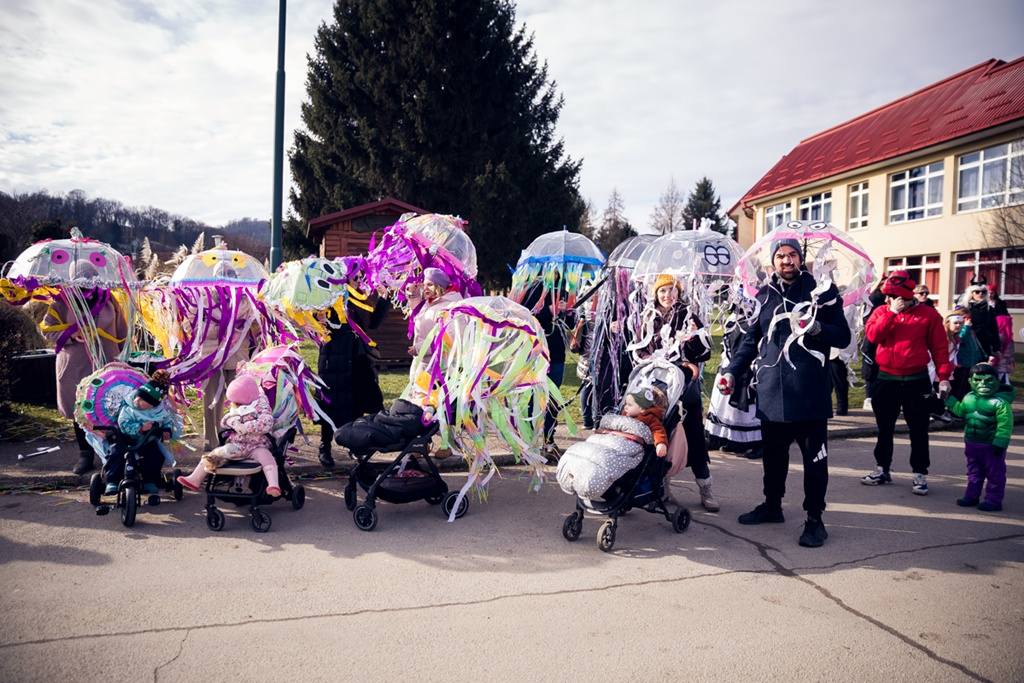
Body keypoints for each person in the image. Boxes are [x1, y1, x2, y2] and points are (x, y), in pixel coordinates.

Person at [720, 238, 851, 548]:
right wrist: (731, 371)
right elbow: (751, 340)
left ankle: (815, 520)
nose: (787, 260)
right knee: (773, 458)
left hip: (809, 395)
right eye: (780, 256)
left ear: (800, 258)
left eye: (792, 255)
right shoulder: (764, 295)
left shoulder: (822, 292)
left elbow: (843, 337)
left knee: (814, 462)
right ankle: (772, 506)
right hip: (772, 394)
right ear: (773, 261)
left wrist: (817, 328)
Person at [861, 270, 951, 495]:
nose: (889, 299)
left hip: (916, 380)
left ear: (907, 296)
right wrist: (891, 313)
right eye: (888, 296)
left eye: (893, 296)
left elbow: (940, 348)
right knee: (884, 428)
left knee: (919, 430)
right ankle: (882, 469)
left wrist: (943, 378)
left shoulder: (928, 315)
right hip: (886, 379)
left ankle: (919, 473)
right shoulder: (881, 311)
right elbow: (873, 337)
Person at [634, 273, 718, 512]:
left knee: (693, 433)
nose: (667, 295)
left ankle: (705, 487)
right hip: (656, 385)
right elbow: (639, 349)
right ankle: (660, 488)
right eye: (662, 290)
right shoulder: (648, 317)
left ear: (679, 293)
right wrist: (652, 359)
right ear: (656, 294)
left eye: (672, 290)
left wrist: (692, 339)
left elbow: (704, 353)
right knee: (657, 434)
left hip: (685, 384)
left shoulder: (688, 315)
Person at [41, 268, 128, 475]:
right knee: (79, 407)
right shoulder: (61, 302)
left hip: (106, 362)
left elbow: (122, 331)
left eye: (89, 278)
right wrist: (71, 334)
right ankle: (85, 454)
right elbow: (47, 329)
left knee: (109, 404)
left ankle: (113, 453)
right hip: (75, 364)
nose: (85, 283)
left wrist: (121, 356)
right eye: (80, 279)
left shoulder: (109, 300)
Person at [316, 292, 391, 469]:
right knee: (330, 403)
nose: (358, 281)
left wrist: (384, 299)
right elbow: (317, 323)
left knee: (358, 402)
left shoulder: (359, 298)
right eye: (355, 278)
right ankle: (325, 446)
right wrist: (318, 318)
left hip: (358, 360)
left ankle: (355, 446)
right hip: (333, 359)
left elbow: (373, 323)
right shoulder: (330, 295)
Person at [178, 375, 281, 497]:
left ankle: (273, 484)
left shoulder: (260, 407)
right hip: (238, 445)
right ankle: (195, 478)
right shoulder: (237, 407)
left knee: (266, 457)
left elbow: (266, 422)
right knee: (215, 454)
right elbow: (225, 419)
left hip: (257, 445)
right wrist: (233, 422)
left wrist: (246, 427)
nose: (235, 404)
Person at [945, 363, 1013, 512]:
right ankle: (972, 495)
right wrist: (949, 400)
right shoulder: (969, 398)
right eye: (978, 380)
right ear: (970, 381)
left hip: (991, 445)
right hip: (972, 443)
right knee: (974, 472)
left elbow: (1005, 424)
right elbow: (960, 411)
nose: (983, 384)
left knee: (995, 474)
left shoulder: (1000, 404)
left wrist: (1000, 442)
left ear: (996, 381)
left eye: (988, 380)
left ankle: (993, 500)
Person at [102, 369, 181, 495]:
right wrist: (140, 427)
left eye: (144, 401)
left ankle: (150, 480)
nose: (138, 402)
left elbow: (166, 420)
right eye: (138, 398)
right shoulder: (128, 408)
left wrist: (166, 430)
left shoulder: (158, 411)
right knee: (116, 453)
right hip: (125, 438)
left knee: (155, 455)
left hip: (146, 439)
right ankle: (112, 481)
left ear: (152, 405)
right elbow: (123, 423)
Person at [705, 308, 762, 459]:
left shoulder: (758, 310)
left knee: (749, 402)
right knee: (724, 403)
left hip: (749, 361)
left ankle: (758, 442)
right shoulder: (734, 314)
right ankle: (726, 438)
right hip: (732, 358)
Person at [860, 278, 887, 411]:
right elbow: (867, 319)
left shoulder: (889, 299)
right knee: (871, 368)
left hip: (883, 339)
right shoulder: (875, 299)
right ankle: (869, 398)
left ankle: (879, 397)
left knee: (881, 370)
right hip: (872, 339)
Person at [960, 278, 1000, 362]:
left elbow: (994, 329)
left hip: (985, 344)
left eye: (983, 292)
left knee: (982, 368)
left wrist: (996, 348)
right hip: (968, 344)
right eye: (977, 292)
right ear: (971, 293)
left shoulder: (989, 309)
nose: (980, 294)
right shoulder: (965, 309)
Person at [989, 284, 1015, 384]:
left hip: (1000, 328)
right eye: (988, 293)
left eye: (992, 293)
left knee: (1001, 358)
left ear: (995, 293)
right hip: (990, 330)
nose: (990, 295)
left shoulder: (1000, 303)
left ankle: (1001, 381)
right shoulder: (982, 304)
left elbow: (1005, 316)